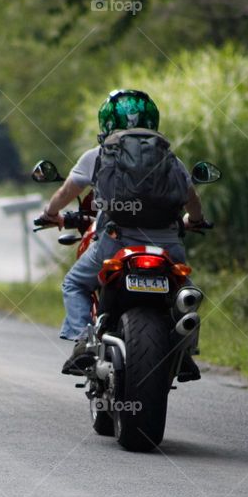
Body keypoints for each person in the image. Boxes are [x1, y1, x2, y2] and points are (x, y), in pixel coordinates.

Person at [37, 89, 207, 376]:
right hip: (167, 244)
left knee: (74, 284)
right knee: (186, 293)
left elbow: (68, 191)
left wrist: (50, 213)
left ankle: (84, 342)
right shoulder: (169, 157)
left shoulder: (98, 155)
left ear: (106, 121)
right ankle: (183, 352)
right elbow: (192, 198)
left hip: (117, 241)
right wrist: (195, 220)